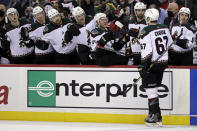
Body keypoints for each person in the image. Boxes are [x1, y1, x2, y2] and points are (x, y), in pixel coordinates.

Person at [139, 8, 173, 126]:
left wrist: (142, 66)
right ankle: (154, 115)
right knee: (153, 89)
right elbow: (170, 45)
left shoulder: (146, 30)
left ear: (148, 18)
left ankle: (156, 116)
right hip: (163, 63)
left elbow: (146, 51)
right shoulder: (164, 27)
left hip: (152, 63)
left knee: (151, 90)